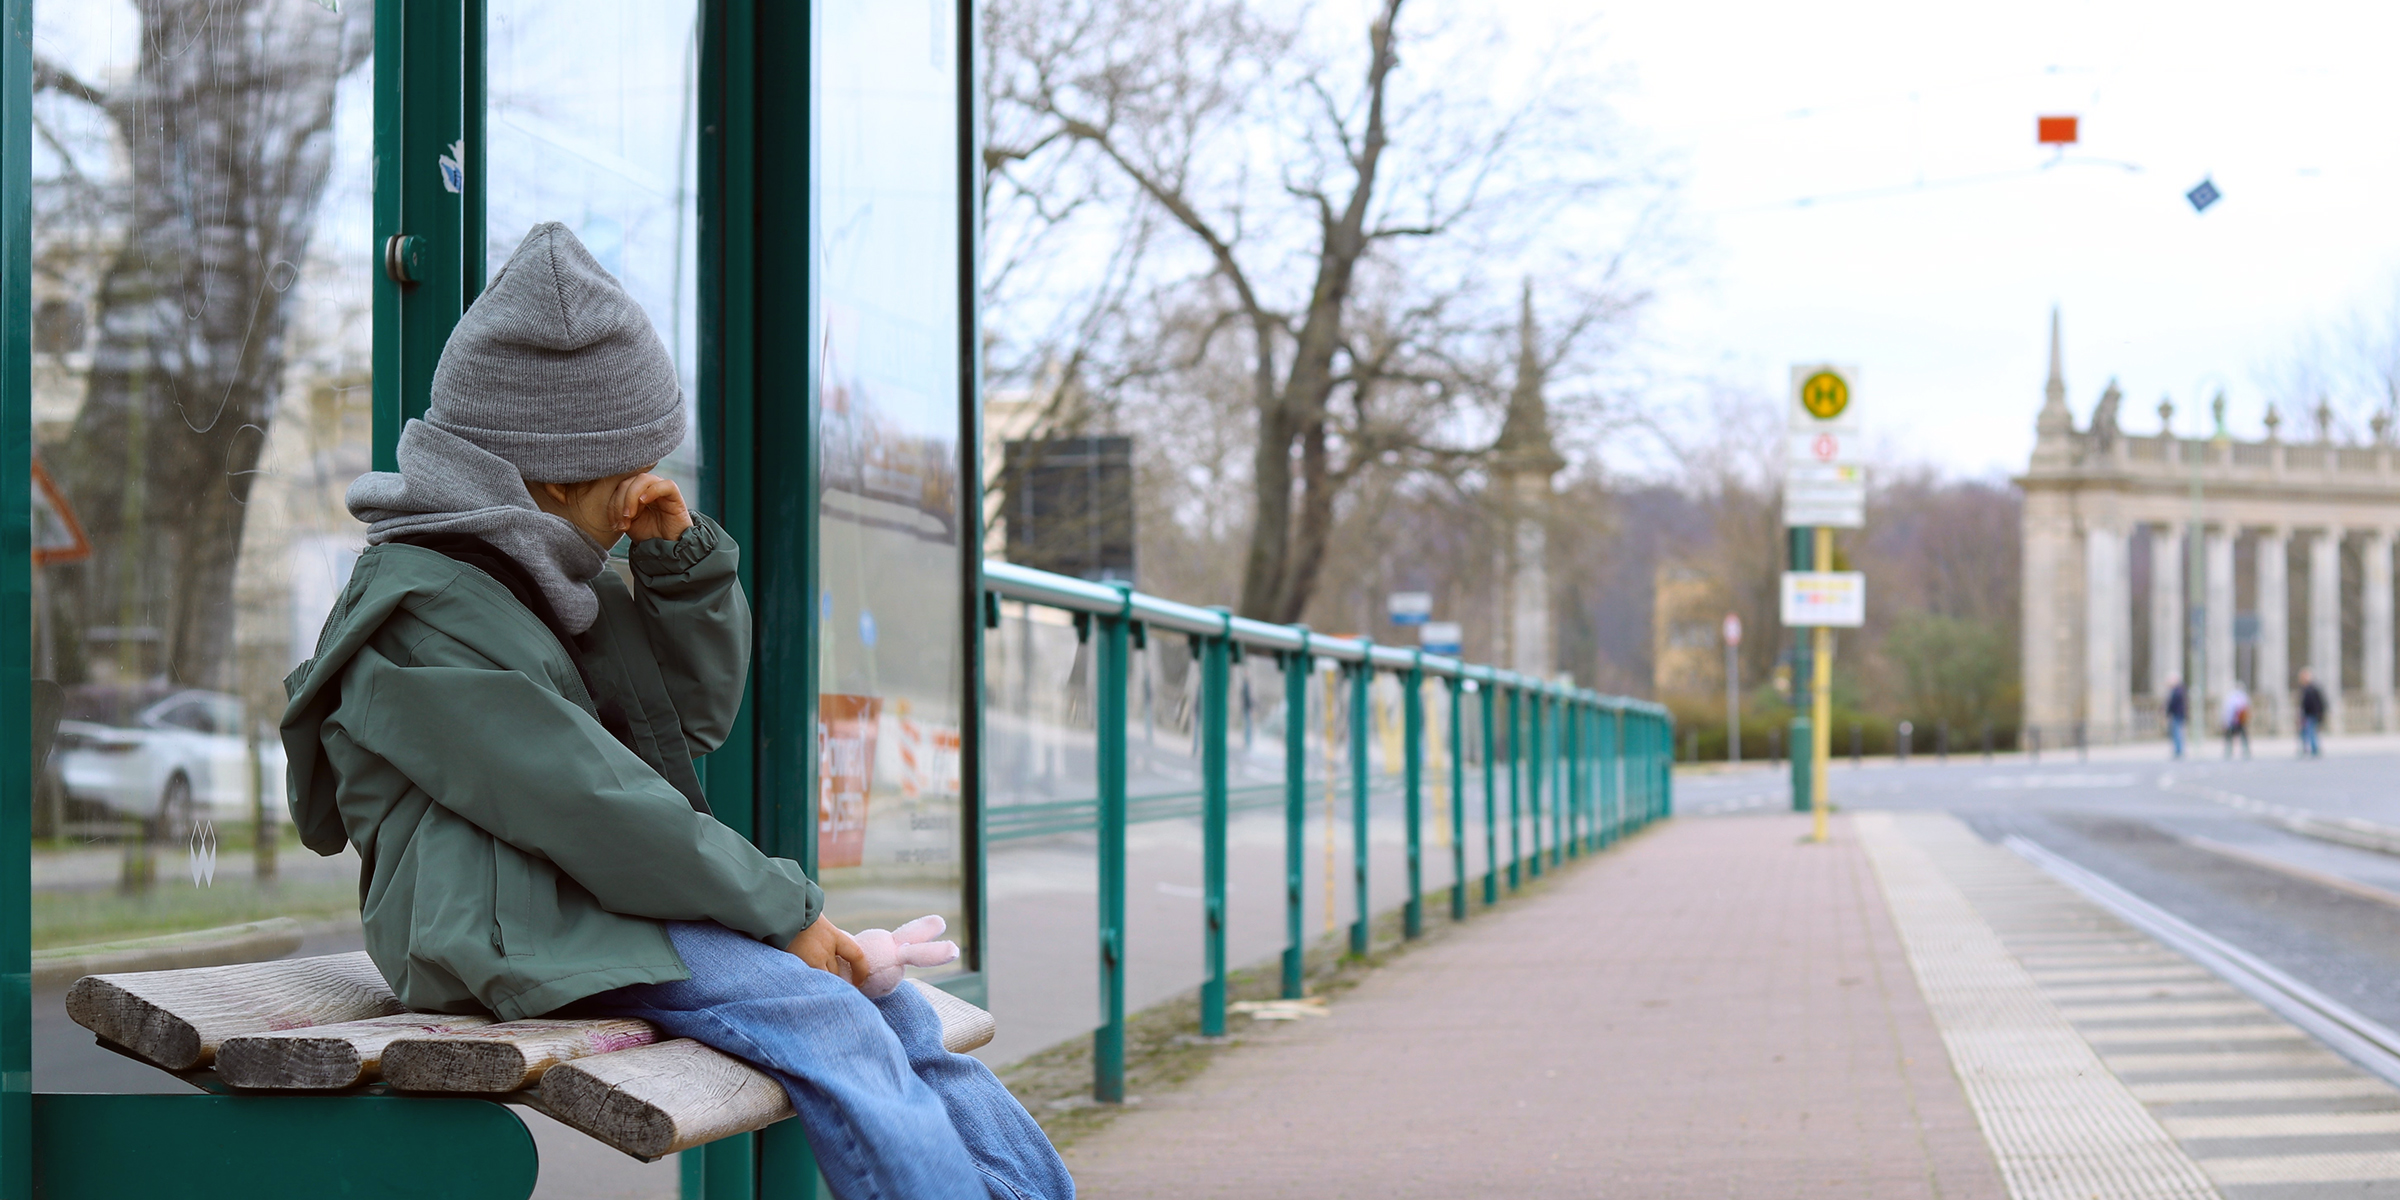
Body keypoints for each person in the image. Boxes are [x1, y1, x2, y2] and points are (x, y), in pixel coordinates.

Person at [281, 224, 1071, 1200]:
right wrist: (786, 911)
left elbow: (680, 730)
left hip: (580, 907)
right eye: (627, 476)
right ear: (558, 475)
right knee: (824, 1013)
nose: (640, 496)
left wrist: (678, 564)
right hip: (500, 929)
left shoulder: (548, 581)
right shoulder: (424, 616)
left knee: (890, 1009)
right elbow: (589, 801)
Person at [2298, 667, 2327, 758]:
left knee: (2311, 732)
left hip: (2312, 715)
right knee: (2305, 732)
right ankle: (2307, 748)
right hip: (2307, 714)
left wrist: (2320, 715)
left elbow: (2319, 703)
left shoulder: (2312, 689)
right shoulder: (2306, 689)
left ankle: (2314, 749)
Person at [2222, 682, 2251, 760]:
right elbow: (2247, 708)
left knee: (2230, 738)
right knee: (2243, 737)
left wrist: (2226, 721)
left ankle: (2228, 752)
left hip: (2233, 721)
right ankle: (2246, 752)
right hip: (2240, 721)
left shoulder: (2231, 698)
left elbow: (2228, 711)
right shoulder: (2243, 697)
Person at [2164, 674, 2187, 759]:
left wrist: (2167, 712)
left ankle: (2178, 751)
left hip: (2177, 714)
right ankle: (2178, 750)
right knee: (2177, 733)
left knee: (2177, 733)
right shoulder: (2180, 690)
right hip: (2178, 714)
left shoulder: (2177, 691)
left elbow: (2172, 704)